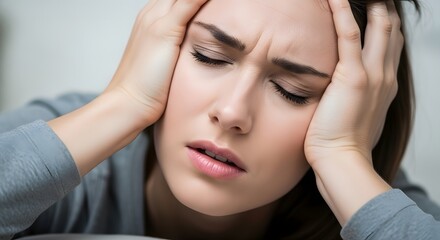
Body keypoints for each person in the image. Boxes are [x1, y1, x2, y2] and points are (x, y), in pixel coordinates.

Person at [1, 0, 440, 239]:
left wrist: (343, 158)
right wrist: (125, 100)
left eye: (293, 90)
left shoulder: (379, 207)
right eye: (208, 56)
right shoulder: (58, 141)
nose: (232, 112)